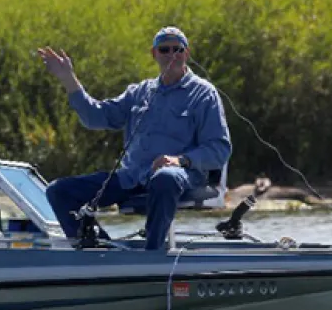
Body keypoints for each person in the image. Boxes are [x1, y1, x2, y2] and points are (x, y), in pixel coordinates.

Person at [38, 26, 232, 250]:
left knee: (165, 177)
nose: (172, 55)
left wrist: (180, 160)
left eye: (178, 50)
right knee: (58, 191)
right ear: (154, 54)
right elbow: (96, 117)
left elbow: (219, 148)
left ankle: (153, 252)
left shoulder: (204, 94)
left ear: (186, 54)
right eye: (165, 50)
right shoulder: (139, 92)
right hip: (132, 177)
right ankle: (99, 249)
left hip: (181, 176)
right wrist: (68, 79)